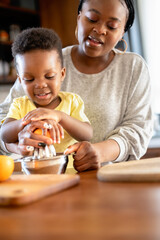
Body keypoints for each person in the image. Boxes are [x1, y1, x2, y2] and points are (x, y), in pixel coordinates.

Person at [0, 0, 153, 172]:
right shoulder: (46, 61)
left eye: (111, 26)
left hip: (110, 178)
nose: (100, 30)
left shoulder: (133, 67)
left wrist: (99, 153)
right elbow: (3, 126)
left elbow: (137, 131)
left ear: (122, 32)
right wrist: (17, 144)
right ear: (79, 17)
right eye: (92, 19)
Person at [0, 28, 93, 169]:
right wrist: (27, 122)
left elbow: (87, 134)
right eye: (29, 79)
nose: (40, 85)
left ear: (62, 74)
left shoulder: (72, 101)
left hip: (70, 172)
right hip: (34, 174)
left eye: (49, 76)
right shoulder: (20, 105)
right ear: (20, 80)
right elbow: (4, 134)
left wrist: (59, 116)